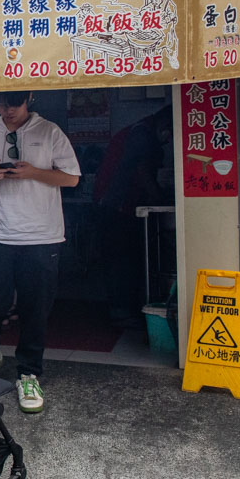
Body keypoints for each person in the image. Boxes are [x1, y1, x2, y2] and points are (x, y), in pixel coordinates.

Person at [0, 91, 81, 414]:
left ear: (29, 99)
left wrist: (33, 172)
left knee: (35, 308)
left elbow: (71, 178)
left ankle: (29, 373)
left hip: (41, 235)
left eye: (13, 104)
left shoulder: (50, 132)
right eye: (1, 105)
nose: (7, 111)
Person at [93, 105, 172, 329]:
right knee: (121, 260)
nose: (168, 141)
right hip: (116, 206)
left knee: (123, 259)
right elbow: (142, 172)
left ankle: (125, 310)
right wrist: (159, 197)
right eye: (170, 134)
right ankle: (121, 313)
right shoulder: (142, 135)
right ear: (165, 124)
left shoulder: (139, 131)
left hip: (117, 205)